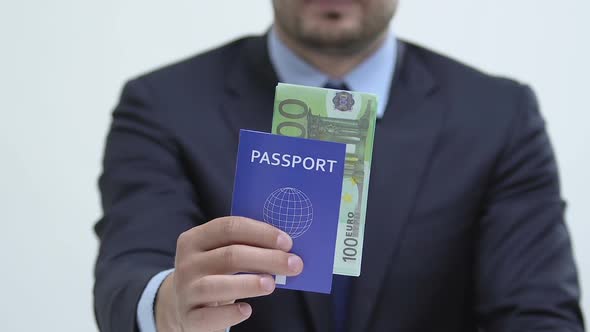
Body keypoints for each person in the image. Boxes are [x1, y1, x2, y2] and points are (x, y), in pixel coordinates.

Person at [93, 0, 585, 331]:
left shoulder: (499, 115)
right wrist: (169, 306)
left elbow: (536, 312)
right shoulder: (162, 104)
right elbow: (133, 263)